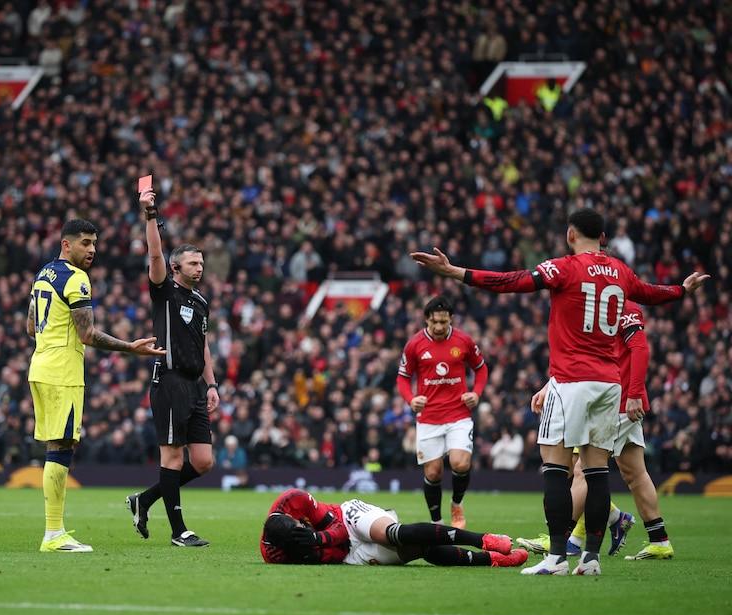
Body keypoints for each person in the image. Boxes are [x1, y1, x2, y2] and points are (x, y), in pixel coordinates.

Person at [411, 208, 708, 575]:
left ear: (571, 234)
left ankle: (555, 557)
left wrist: (455, 272)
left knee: (556, 467)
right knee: (598, 472)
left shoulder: (564, 267)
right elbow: (650, 294)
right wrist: (682, 289)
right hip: (609, 384)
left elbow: (511, 281)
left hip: (570, 382)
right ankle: (592, 559)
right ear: (602, 237)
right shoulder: (620, 271)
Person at [27, 219, 165, 553]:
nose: (92, 250)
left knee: (56, 448)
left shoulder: (44, 273)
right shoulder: (77, 279)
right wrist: (130, 346)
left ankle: (53, 531)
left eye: (94, 243)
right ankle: (53, 534)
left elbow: (31, 326)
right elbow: (88, 335)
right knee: (61, 449)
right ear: (66, 244)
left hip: (41, 365)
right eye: (85, 243)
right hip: (62, 372)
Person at [518, 300, 672, 560]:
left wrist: (634, 393)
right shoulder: (593, 306)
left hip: (615, 402)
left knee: (583, 469)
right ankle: (659, 539)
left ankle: (562, 538)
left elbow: (639, 348)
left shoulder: (623, 306)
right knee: (634, 471)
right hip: (606, 397)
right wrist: (550, 385)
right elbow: (581, 356)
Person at [126, 186, 220, 547]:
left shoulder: (200, 301)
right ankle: (178, 531)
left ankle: (144, 500)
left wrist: (211, 385)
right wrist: (150, 215)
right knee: (171, 455)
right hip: (168, 380)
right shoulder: (165, 290)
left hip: (195, 385)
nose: (199, 268)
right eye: (193, 263)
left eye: (201, 263)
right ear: (177, 266)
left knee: (203, 460)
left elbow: (205, 345)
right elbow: (154, 252)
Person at [259, 488, 527, 568]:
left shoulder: (294, 500)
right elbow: (336, 554)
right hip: (348, 555)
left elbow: (339, 529)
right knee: (417, 549)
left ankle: (485, 540)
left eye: (299, 526)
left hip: (348, 518)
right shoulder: (276, 555)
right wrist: (317, 547)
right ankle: (490, 560)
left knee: (394, 534)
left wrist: (317, 537)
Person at [397, 296, 488, 529]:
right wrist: (410, 399)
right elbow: (403, 377)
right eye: (434, 322)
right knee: (434, 472)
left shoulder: (464, 341)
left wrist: (476, 393)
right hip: (428, 417)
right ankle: (436, 523)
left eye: (444, 322)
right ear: (427, 319)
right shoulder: (414, 344)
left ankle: (457, 504)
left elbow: (481, 368)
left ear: (451, 320)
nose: (439, 327)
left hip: (458, 414)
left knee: (460, 463)